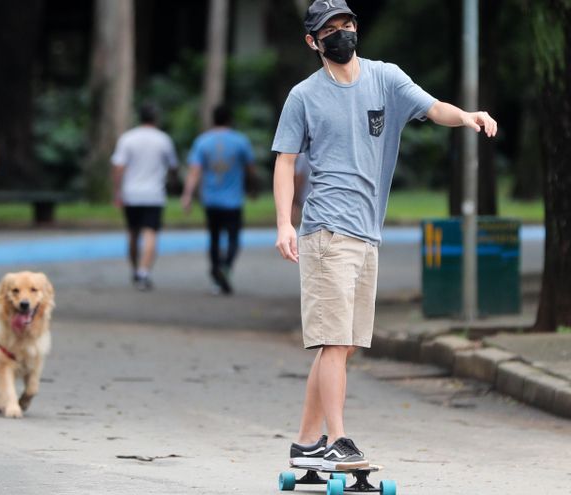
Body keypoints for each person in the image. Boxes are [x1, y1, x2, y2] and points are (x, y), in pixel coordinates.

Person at [272, 0, 497, 470]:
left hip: (367, 231)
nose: (342, 33)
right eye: (329, 29)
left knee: (347, 343)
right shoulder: (304, 96)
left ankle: (306, 442)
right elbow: (285, 161)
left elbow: (433, 108)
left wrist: (467, 116)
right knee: (333, 342)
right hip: (327, 231)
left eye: (347, 23)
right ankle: (337, 439)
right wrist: (283, 222)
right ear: (313, 41)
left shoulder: (385, 78)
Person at [181, 104, 257, 295]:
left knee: (214, 238)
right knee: (233, 238)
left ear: (212, 119)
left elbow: (194, 171)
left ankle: (216, 274)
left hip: (211, 200)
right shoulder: (241, 141)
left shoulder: (202, 142)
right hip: (233, 201)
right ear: (230, 120)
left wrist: (187, 194)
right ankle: (227, 267)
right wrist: (253, 188)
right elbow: (251, 169)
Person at [111, 104, 179, 291]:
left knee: (132, 233)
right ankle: (143, 272)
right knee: (150, 234)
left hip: (131, 193)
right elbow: (173, 166)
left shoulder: (128, 138)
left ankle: (135, 270)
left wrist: (117, 191)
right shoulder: (163, 139)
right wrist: (173, 184)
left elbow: (118, 167)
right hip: (154, 194)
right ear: (156, 118)